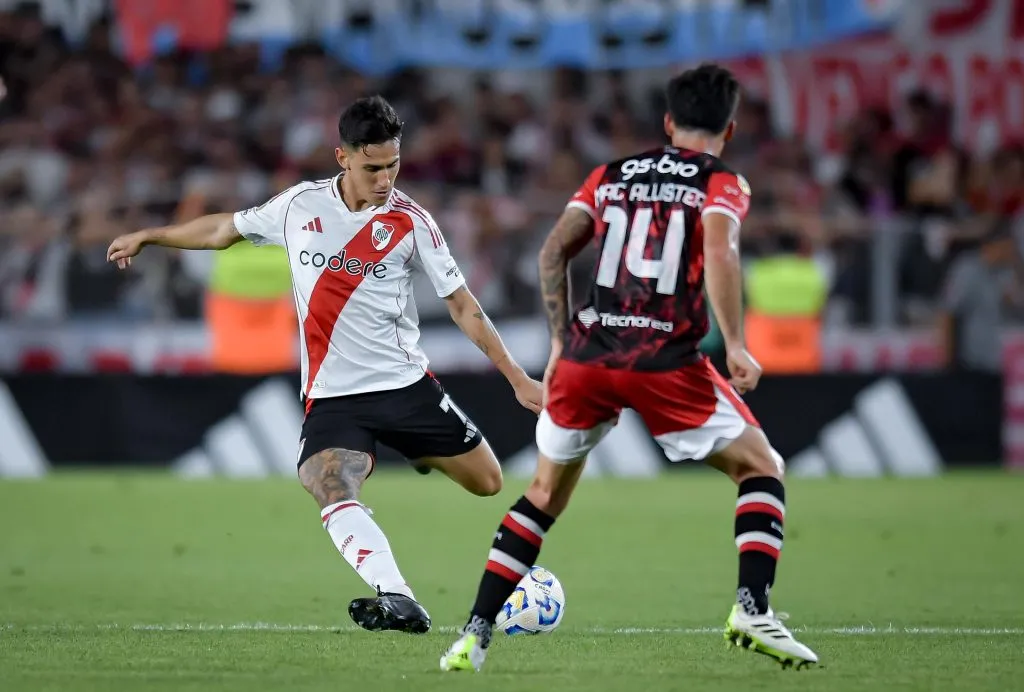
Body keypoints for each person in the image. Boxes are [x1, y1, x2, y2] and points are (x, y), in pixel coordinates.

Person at [107, 95, 543, 635]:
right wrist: (151, 234)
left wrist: (517, 376)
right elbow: (224, 230)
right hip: (335, 396)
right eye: (373, 167)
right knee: (326, 481)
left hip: (405, 387)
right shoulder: (299, 207)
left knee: (488, 482)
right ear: (343, 157)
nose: (385, 179)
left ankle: (421, 453)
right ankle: (398, 596)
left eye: (393, 165)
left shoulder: (413, 223)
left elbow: (462, 304)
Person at [440, 64, 818, 672]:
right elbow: (719, 250)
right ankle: (752, 608)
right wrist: (738, 344)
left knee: (541, 496)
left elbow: (552, 250)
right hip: (664, 359)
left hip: (589, 356)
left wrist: (562, 341)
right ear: (731, 126)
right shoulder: (722, 182)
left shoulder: (612, 174)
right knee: (761, 466)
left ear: (669, 123)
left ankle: (474, 635)